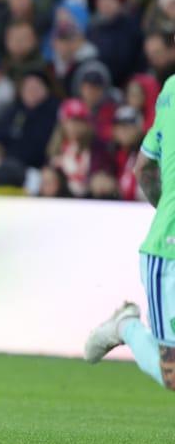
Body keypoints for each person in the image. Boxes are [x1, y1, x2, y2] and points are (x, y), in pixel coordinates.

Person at [85, 77, 175, 389]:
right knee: (173, 375)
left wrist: (163, 206)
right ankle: (126, 326)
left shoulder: (171, 88)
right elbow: (143, 167)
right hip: (170, 251)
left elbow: (144, 169)